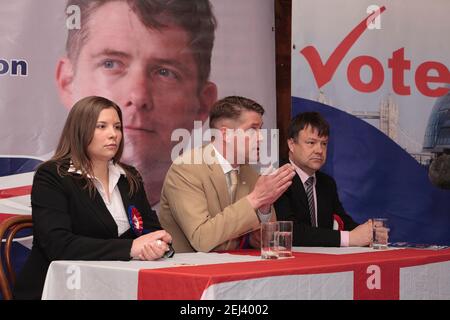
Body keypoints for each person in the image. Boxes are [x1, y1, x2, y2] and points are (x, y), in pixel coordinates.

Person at [56, 0, 218, 207]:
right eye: (110, 64)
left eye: (165, 73)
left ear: (203, 103)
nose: (139, 95)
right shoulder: (48, 186)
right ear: (67, 82)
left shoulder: (214, 196)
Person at [13, 96, 172, 300]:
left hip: (117, 288)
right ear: (80, 130)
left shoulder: (129, 177)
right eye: (101, 126)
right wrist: (131, 248)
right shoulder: (53, 175)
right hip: (61, 290)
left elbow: (150, 230)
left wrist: (158, 244)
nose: (113, 134)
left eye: (117, 127)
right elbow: (58, 245)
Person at [159, 96, 295, 253]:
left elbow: (269, 243)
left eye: (261, 129)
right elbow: (202, 239)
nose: (261, 137)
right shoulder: (186, 169)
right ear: (225, 134)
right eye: (252, 129)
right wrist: (256, 199)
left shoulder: (251, 173)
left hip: (236, 269)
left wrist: (264, 210)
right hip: (189, 271)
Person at [275, 112, 379, 247]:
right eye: (311, 142)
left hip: (324, 260)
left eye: (324, 143)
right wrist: (350, 238)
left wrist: (369, 234)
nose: (319, 150)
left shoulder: (326, 183)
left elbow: (343, 221)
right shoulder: (277, 177)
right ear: (291, 144)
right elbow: (288, 232)